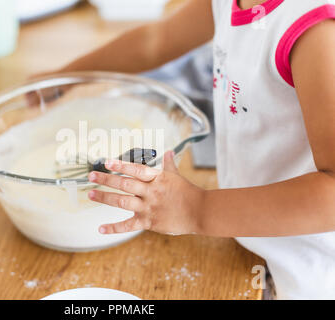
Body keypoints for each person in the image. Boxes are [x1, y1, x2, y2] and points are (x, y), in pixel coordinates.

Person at [34, 0, 335, 299]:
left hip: (310, 269)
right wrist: (65, 77)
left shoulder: (316, 31)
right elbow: (157, 41)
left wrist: (196, 208)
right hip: (251, 238)